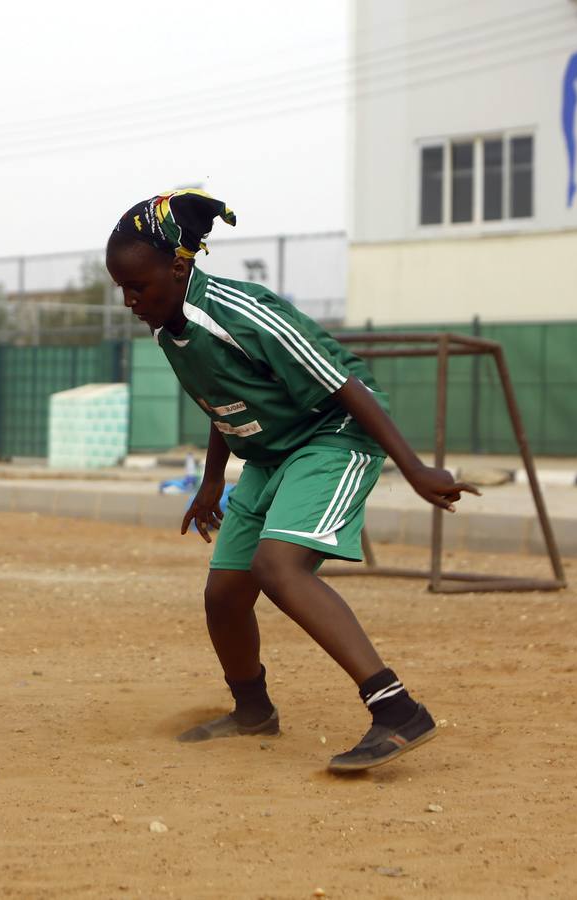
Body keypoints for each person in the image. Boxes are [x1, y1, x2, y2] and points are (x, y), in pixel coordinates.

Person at [105, 190, 478, 772]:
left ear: (179, 268)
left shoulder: (242, 311)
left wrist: (415, 468)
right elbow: (222, 401)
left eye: (137, 286)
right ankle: (252, 710)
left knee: (277, 567)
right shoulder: (167, 325)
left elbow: (343, 384)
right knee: (223, 594)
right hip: (268, 456)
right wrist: (211, 482)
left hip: (333, 437)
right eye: (121, 289)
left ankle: (397, 709)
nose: (129, 300)